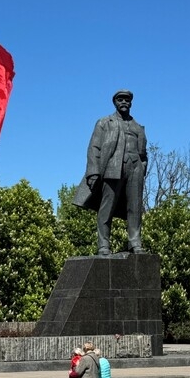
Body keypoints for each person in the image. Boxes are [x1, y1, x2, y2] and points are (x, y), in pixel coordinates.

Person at [72, 89, 148, 255]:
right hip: (112, 169)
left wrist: (142, 169)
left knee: (134, 209)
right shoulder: (105, 122)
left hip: (134, 170)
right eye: (120, 99)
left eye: (127, 100)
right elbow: (94, 147)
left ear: (131, 103)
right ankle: (103, 245)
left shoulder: (138, 127)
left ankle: (135, 243)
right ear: (115, 102)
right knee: (107, 208)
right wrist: (93, 171)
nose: (124, 102)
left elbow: (143, 153)